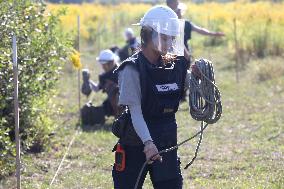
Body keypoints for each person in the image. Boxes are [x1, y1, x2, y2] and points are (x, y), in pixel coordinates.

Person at [112, 5, 199, 189]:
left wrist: (198, 76)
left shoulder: (175, 67)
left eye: (171, 38)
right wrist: (148, 143)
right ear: (147, 34)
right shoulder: (131, 69)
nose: (168, 43)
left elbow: (189, 85)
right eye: (163, 37)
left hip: (167, 138)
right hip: (137, 139)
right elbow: (135, 112)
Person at [88, 49, 121, 117]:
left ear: (111, 62)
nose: (103, 66)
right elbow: (97, 89)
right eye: (102, 64)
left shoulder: (121, 71)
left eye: (104, 64)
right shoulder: (104, 76)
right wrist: (88, 80)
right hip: (111, 102)